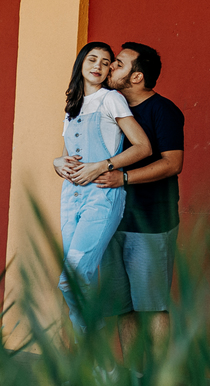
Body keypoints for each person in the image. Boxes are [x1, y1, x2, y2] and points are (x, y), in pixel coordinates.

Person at [52, 42, 152, 332]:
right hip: (71, 198)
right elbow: (65, 156)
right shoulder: (72, 105)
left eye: (106, 62)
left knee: (71, 277)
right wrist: (57, 163)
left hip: (101, 197)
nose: (97, 65)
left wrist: (103, 165)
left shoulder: (111, 99)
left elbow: (143, 147)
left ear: (110, 70)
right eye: (92, 59)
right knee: (74, 282)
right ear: (81, 64)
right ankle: (94, 370)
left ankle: (97, 367)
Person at [95, 42, 184, 365]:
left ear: (137, 77)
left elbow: (173, 163)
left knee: (152, 305)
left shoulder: (163, 111)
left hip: (150, 222)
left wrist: (125, 178)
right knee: (122, 306)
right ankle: (134, 377)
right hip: (111, 219)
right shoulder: (110, 106)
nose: (110, 67)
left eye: (118, 64)